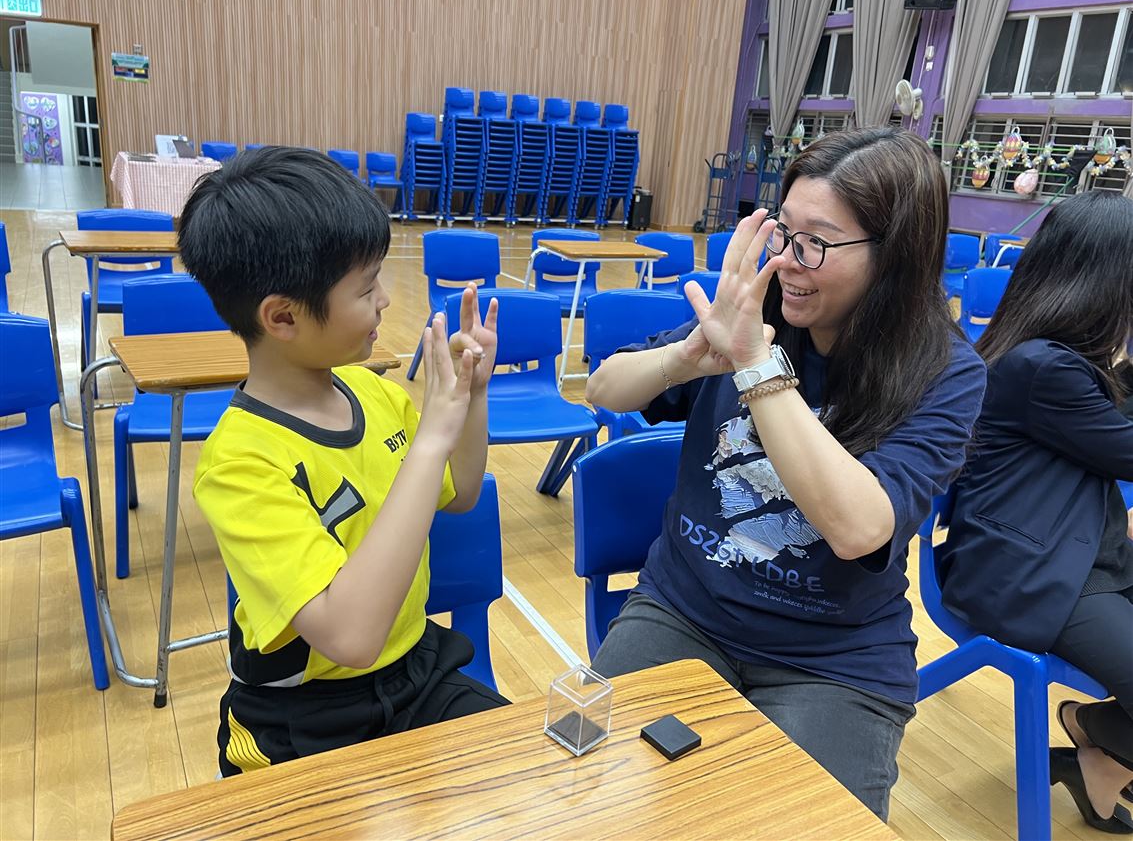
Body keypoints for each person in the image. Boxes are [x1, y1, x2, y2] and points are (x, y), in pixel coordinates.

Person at [586, 127, 987, 820]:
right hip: (684, 612)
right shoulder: (757, 310)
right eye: (784, 232)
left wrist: (756, 366)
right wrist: (684, 359)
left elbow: (858, 528)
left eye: (816, 243)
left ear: (894, 254)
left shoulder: (945, 373)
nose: (788, 261)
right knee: (595, 804)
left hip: (833, 656)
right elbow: (604, 389)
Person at [178, 147, 508, 776]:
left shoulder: (374, 393)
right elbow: (352, 638)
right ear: (282, 316)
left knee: (532, 781)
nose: (385, 300)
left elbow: (461, 492)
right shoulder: (239, 464)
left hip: (418, 670)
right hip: (303, 716)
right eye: (366, 287)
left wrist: (472, 394)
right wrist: (432, 436)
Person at [938, 190, 1133, 833]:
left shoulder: (1067, 358)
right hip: (1028, 571)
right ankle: (1094, 729)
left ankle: (1098, 750)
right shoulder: (1042, 367)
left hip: (1084, 553)